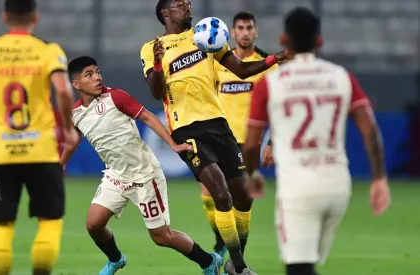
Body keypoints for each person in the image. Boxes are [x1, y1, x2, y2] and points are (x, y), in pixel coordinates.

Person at [140, 1, 286, 274]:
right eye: (180, 4)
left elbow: (240, 69)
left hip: (218, 124)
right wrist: (159, 64)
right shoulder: (151, 48)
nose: (187, 6)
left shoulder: (205, 34)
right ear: (166, 13)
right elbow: (155, 91)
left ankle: (233, 261)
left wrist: (272, 59)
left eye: (188, 3)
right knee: (220, 192)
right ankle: (240, 268)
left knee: (243, 196)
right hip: (186, 129)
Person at [243, 7, 391, 275]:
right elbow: (370, 130)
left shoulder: (271, 83)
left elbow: (252, 143)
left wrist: (252, 174)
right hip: (338, 187)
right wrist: (379, 177)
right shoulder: (342, 77)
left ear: (283, 40)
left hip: (298, 189)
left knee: (298, 267)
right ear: (319, 41)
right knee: (308, 264)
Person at [61, 56, 223, 275]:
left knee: (161, 236)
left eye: (97, 72)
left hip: (144, 175)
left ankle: (207, 261)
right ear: (76, 84)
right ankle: (116, 260)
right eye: (89, 74)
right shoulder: (77, 113)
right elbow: (72, 140)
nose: (97, 77)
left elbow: (147, 117)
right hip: (116, 176)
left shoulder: (115, 97)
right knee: (94, 225)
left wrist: (173, 144)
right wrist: (59, 164)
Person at [0, 0, 78, 274]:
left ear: (4, 16)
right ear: (35, 16)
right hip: (42, 151)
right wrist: (68, 130)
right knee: (49, 220)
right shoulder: (48, 51)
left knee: (2, 225)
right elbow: (65, 91)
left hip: (1, 153)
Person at [201, 11, 278, 262]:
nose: (245, 33)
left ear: (255, 32)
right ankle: (222, 240)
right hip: (219, 139)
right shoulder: (218, 62)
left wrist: (272, 143)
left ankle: (236, 256)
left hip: (249, 145)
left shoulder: (267, 64)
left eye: (249, 28)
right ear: (232, 33)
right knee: (209, 199)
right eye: (240, 28)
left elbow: (277, 106)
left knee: (241, 201)